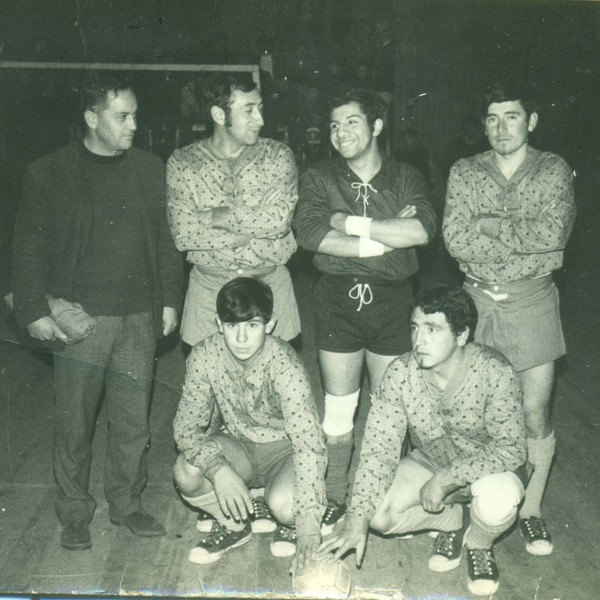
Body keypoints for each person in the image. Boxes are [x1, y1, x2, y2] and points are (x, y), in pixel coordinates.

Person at [11, 74, 183, 550]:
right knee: (75, 423)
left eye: (135, 115)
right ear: (92, 118)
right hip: (80, 323)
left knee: (133, 423)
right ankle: (74, 512)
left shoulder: (150, 169)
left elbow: (167, 243)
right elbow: (27, 249)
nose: (133, 124)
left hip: (139, 321)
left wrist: (169, 301)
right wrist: (33, 312)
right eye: (122, 116)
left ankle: (126, 505)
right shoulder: (48, 172)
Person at [318, 284, 527, 597]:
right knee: (376, 512)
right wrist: (357, 518)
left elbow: (511, 448)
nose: (419, 340)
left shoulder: (494, 371)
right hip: (433, 459)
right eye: (415, 327)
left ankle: (478, 543)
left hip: (490, 467)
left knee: (497, 499)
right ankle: (454, 521)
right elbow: (378, 450)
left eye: (433, 329)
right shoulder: (401, 372)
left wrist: (447, 478)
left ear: (461, 335)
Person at [443, 81, 576, 556]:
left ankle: (531, 510)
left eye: (512, 117)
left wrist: (491, 225)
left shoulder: (554, 169)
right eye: (493, 119)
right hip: (474, 302)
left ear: (531, 121)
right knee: (469, 412)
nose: (502, 128)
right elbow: (456, 240)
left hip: (532, 301)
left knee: (533, 412)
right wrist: (517, 237)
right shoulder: (465, 170)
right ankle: (465, 510)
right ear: (484, 125)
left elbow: (554, 233)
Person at [294, 87, 436, 524]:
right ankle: (336, 493)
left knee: (391, 408)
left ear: (376, 126)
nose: (340, 133)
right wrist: (384, 236)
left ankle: (384, 493)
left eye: (352, 122)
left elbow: (422, 231)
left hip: (394, 302)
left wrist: (348, 223)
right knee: (339, 407)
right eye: (335, 126)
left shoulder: (406, 174)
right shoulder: (319, 176)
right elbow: (310, 235)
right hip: (337, 300)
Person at [172, 277, 327, 571]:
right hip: (238, 447)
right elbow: (185, 429)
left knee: (285, 505)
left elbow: (309, 443)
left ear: (270, 324)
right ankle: (233, 523)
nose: (241, 338)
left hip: (285, 451)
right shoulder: (204, 356)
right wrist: (219, 471)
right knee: (186, 471)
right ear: (219, 324)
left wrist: (308, 530)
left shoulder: (285, 365)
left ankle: (281, 513)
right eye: (233, 326)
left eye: (252, 325)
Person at [166, 73, 301, 350]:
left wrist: (218, 216)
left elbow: (279, 221)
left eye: (260, 108)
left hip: (270, 286)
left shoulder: (278, 155)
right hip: (208, 292)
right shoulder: (183, 162)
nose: (260, 120)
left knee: (275, 386)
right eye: (248, 110)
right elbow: (183, 234)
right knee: (208, 387)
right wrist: (247, 230)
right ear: (219, 114)